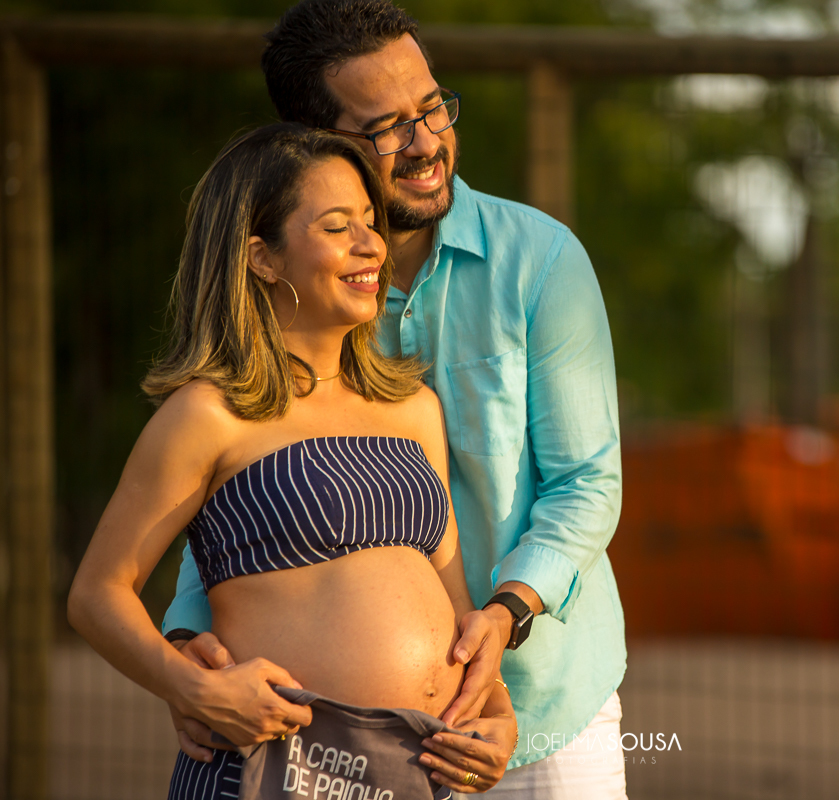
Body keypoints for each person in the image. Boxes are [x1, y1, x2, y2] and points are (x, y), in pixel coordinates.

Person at [162, 0, 628, 797]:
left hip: (544, 711)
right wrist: (186, 642)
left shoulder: (542, 261)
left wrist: (506, 613)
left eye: (433, 108)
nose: (425, 143)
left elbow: (588, 480)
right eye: (386, 129)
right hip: (331, 740)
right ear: (316, 142)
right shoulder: (298, 296)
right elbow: (232, 481)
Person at [68, 123, 518, 799]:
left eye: (370, 222)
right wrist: (194, 689)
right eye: (338, 227)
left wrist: (497, 713)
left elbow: (456, 609)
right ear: (262, 258)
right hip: (274, 771)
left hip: (419, 771)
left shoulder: (414, 408)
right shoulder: (208, 415)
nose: (371, 243)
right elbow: (96, 594)